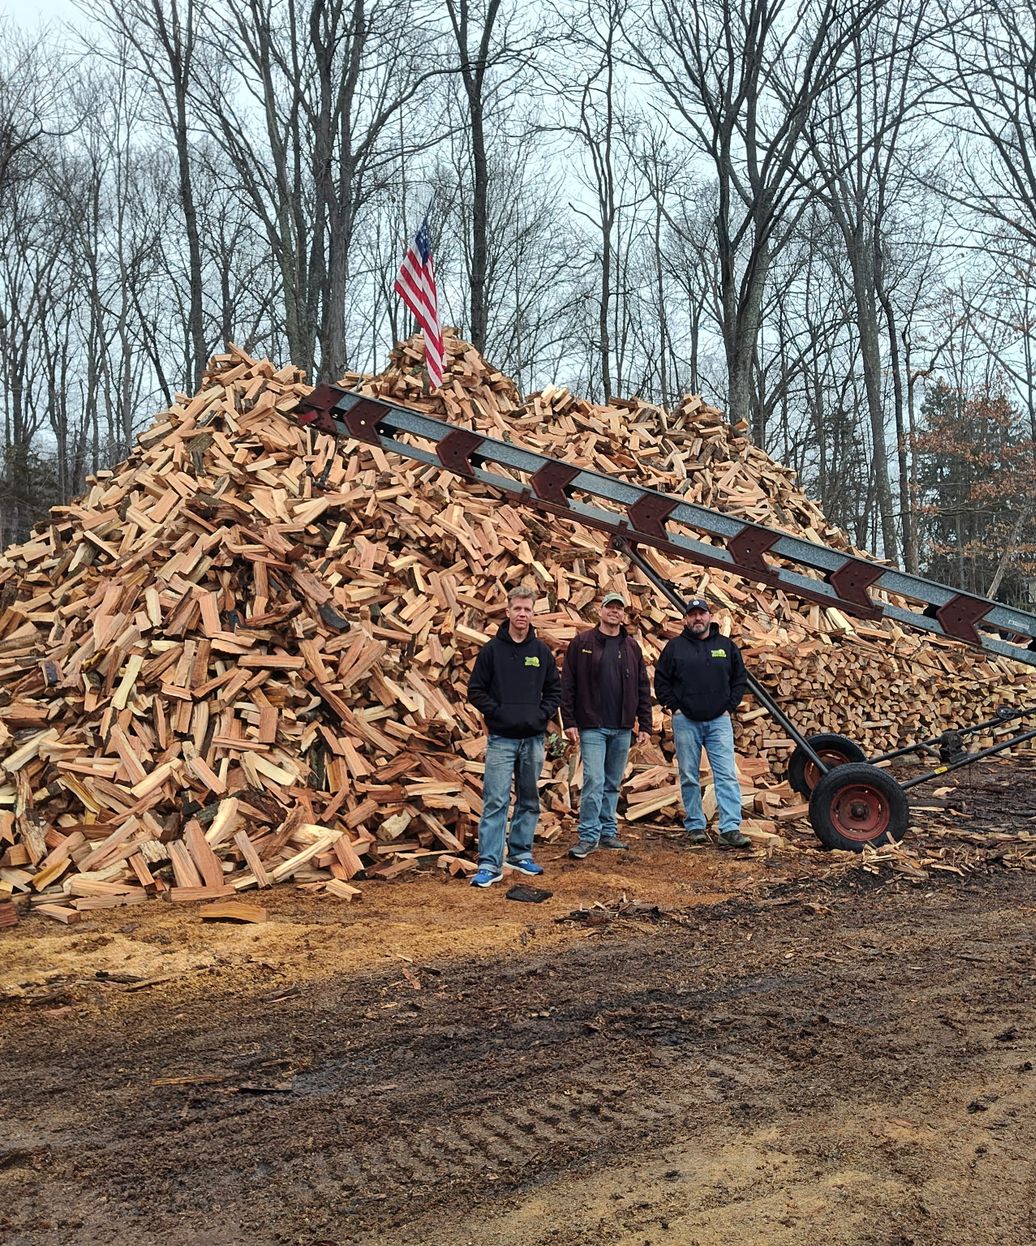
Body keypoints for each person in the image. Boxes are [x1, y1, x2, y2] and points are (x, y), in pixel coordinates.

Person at [467, 585, 562, 888]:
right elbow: (475, 690)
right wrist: (498, 713)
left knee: (529, 798)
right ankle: (489, 863)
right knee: (495, 800)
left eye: (528, 609)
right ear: (508, 611)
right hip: (502, 739)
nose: (522, 614)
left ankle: (520, 853)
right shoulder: (492, 651)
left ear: (533, 613)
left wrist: (540, 715)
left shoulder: (541, 652)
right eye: (517, 609)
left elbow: (554, 691)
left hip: (533, 739)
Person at [654, 596, 751, 849]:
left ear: (710, 617)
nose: (698, 618)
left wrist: (729, 706)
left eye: (702, 613)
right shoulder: (675, 647)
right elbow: (661, 681)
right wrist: (674, 707)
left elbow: (740, 679)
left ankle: (730, 828)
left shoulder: (726, 646)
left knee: (726, 775)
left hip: (719, 721)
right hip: (686, 721)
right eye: (693, 614)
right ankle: (695, 825)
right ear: (686, 619)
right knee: (688, 774)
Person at [561, 592, 652, 859]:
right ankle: (589, 835)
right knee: (594, 780)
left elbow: (642, 687)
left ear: (623, 614)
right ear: (600, 611)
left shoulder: (631, 646)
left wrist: (644, 724)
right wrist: (569, 720)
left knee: (612, 782)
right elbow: (568, 683)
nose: (614, 612)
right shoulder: (582, 643)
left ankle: (608, 832)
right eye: (610, 607)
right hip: (592, 725)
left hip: (622, 726)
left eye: (619, 608)